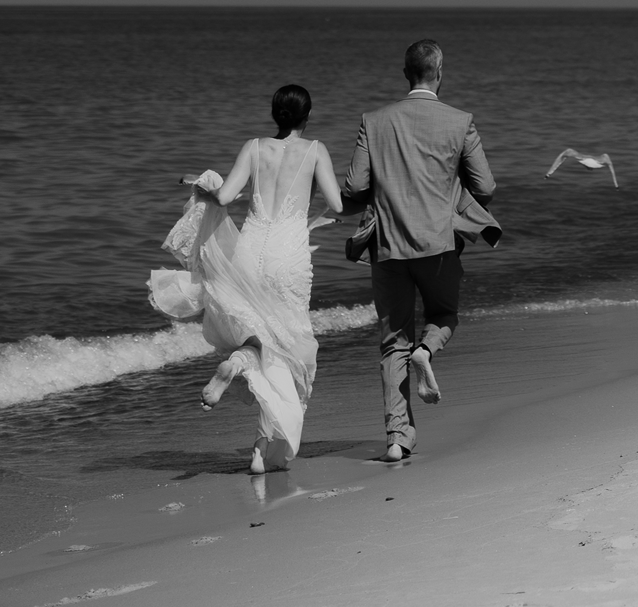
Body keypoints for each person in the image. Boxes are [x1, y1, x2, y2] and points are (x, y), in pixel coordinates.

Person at [342, 39, 498, 463]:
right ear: (439, 70)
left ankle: (397, 438)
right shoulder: (460, 121)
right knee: (444, 316)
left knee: (393, 343)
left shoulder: (373, 122)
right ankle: (427, 352)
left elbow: (354, 188)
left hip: (388, 247)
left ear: (405, 72)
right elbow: (485, 187)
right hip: (439, 245)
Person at [194, 85, 346, 474]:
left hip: (251, 249)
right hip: (288, 254)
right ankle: (263, 450)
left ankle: (240, 368)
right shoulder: (315, 150)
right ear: (306, 116)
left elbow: (225, 197)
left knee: (260, 341)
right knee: (288, 349)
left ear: (275, 115)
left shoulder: (253, 146)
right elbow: (338, 203)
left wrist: (201, 190)